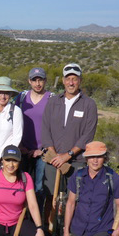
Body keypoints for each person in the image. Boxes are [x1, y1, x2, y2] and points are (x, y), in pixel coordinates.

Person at [62, 141, 119, 236]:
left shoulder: (113, 178)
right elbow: (71, 203)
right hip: (80, 227)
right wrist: (66, 231)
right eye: (91, 157)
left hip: (102, 228)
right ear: (86, 159)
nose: (95, 160)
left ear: (105, 158)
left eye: (99, 156)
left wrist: (118, 229)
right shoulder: (78, 176)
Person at [41, 63, 97, 205]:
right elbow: (45, 129)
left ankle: (68, 227)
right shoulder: (53, 102)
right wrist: (54, 156)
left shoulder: (89, 104)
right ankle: (49, 226)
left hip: (76, 161)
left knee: (74, 199)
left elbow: (88, 134)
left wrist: (67, 155)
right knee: (50, 197)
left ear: (80, 81)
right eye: (68, 79)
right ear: (63, 81)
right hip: (53, 160)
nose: (71, 83)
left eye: (74, 79)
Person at [14, 67, 53, 211]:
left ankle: (38, 221)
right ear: (29, 81)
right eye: (34, 80)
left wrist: (42, 150)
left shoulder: (52, 99)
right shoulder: (21, 98)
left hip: (43, 152)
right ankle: (22, 219)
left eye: (40, 80)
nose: (37, 83)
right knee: (21, 185)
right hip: (23, 149)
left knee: (39, 188)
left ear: (45, 81)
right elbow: (14, 122)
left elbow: (55, 126)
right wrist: (20, 146)